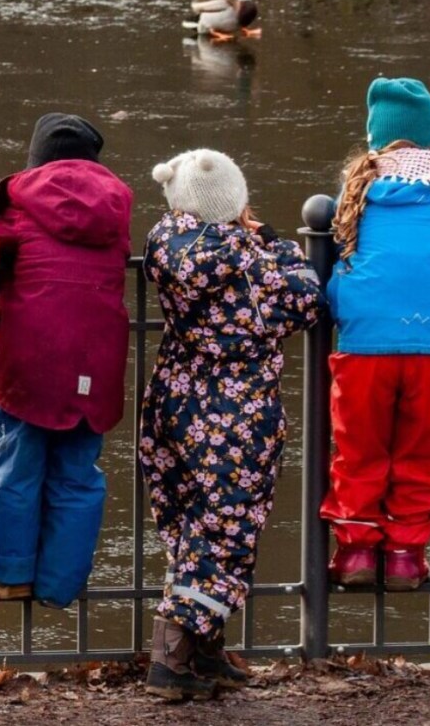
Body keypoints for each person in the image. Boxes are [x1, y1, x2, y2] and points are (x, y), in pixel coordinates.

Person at [140, 149, 323, 701]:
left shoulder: (162, 242)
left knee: (191, 525)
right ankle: (172, 653)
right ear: (235, 203)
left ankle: (204, 649)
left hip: (175, 400)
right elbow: (307, 299)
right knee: (226, 529)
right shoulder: (252, 266)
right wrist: (277, 242)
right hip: (235, 413)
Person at [0, 113, 133, 608]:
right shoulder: (115, 207)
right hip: (97, 362)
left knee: (18, 466)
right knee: (79, 474)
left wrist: (10, 288)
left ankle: (8, 575)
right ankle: (61, 586)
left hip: (32, 358)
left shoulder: (21, 202)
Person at [320, 77, 430, 591]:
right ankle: (406, 553)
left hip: (364, 344)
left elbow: (342, 255)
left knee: (359, 449)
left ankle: (357, 550)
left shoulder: (355, 190)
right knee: (421, 453)